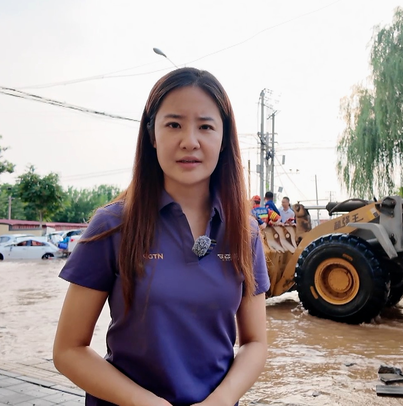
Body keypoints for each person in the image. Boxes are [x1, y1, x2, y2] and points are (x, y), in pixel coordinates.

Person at [53, 68, 270, 406]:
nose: (190, 140)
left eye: (206, 126)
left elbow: (255, 342)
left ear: (224, 138)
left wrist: (222, 400)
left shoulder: (245, 232)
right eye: (174, 124)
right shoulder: (113, 225)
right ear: (152, 134)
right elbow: (69, 350)